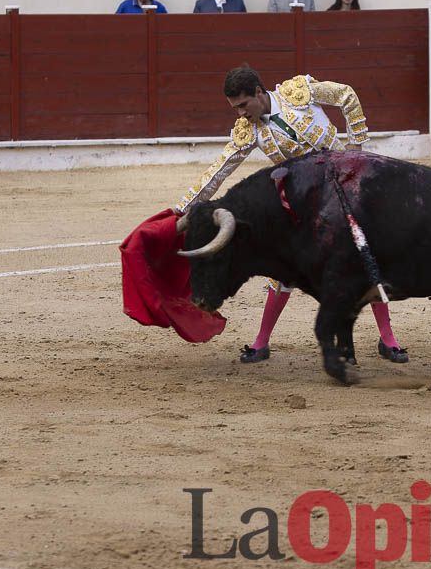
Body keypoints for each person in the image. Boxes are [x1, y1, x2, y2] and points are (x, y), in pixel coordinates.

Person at [175, 66, 408, 365]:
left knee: (365, 257)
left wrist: (355, 149)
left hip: (347, 187)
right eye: (235, 108)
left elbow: (346, 95)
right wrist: (181, 208)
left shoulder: (298, 93)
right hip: (305, 202)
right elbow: (217, 172)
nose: (241, 114)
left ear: (258, 92)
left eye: (243, 105)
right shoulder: (249, 131)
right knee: (283, 267)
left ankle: (388, 339)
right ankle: (261, 342)